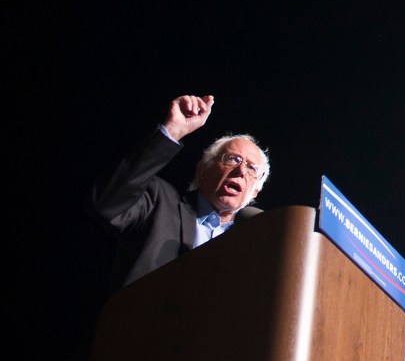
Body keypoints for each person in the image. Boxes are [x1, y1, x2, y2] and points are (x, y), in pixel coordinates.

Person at [91, 94, 270, 288]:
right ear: (202, 171)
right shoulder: (158, 201)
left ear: (255, 192)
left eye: (252, 169)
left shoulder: (253, 243)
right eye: (233, 159)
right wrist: (172, 131)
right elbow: (107, 203)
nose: (241, 171)